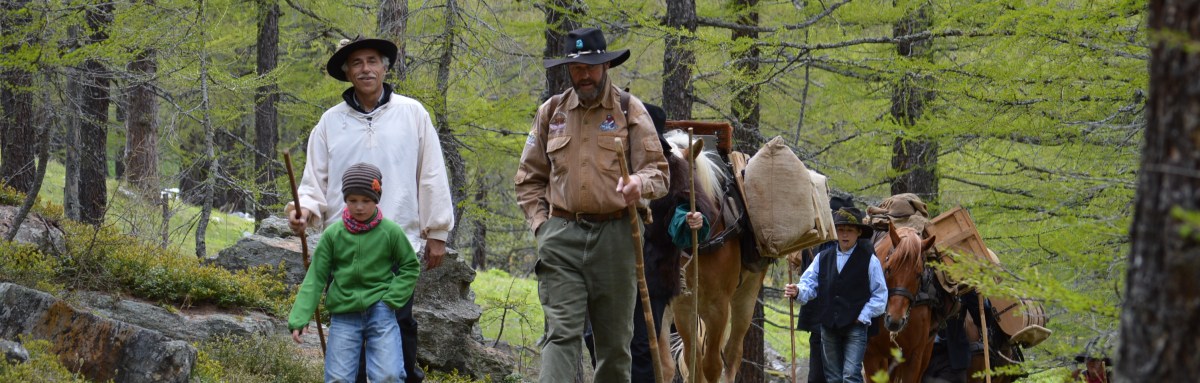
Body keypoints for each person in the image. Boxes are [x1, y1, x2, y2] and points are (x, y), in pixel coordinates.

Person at [287, 36, 454, 383]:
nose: (366, 69)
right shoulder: (330, 122)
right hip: (344, 246)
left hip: (396, 243)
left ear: (385, 68)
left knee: (398, 324)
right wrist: (304, 211)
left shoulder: (412, 114)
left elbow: (431, 174)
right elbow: (314, 181)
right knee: (350, 328)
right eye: (357, 63)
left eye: (372, 61)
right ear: (347, 72)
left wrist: (437, 231)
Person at [515, 27, 670, 383]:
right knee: (560, 334)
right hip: (561, 237)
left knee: (614, 346)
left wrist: (639, 184)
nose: (584, 75)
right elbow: (527, 178)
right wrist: (541, 226)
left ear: (606, 66)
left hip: (617, 237)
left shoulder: (630, 110)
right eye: (577, 68)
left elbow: (660, 173)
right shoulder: (551, 112)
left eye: (591, 67)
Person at [581, 103, 709, 382]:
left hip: (653, 270)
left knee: (641, 345)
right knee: (595, 337)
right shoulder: (607, 162)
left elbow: (685, 209)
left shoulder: (673, 168)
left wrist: (690, 220)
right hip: (608, 267)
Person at [289, 163, 420, 383]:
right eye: (352, 200)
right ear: (345, 200)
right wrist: (299, 318)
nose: (359, 207)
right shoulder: (333, 235)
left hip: (381, 310)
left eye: (366, 200)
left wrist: (391, 299)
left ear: (377, 198)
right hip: (344, 313)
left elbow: (410, 266)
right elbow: (316, 276)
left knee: (388, 375)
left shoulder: (391, 232)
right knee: (338, 378)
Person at [784, 206, 887, 383]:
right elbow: (809, 284)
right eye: (840, 230)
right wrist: (798, 291)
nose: (845, 234)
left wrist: (863, 316)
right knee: (832, 377)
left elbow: (880, 294)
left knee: (850, 375)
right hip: (828, 327)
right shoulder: (822, 257)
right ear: (835, 232)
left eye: (850, 230)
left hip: (856, 327)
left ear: (858, 233)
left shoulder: (870, 260)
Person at [788, 196, 854, 383]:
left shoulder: (861, 250)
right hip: (822, 322)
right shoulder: (816, 244)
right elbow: (809, 280)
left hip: (849, 324)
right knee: (818, 376)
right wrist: (798, 291)